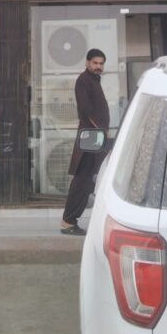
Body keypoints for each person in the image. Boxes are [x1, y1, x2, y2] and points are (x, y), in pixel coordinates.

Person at [60, 48, 109, 235]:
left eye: (101, 63)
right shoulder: (84, 80)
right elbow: (87, 111)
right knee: (83, 179)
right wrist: (101, 133)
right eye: (95, 63)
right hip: (91, 136)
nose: (98, 66)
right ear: (87, 63)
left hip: (95, 136)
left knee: (88, 180)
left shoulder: (94, 80)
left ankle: (70, 220)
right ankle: (68, 221)